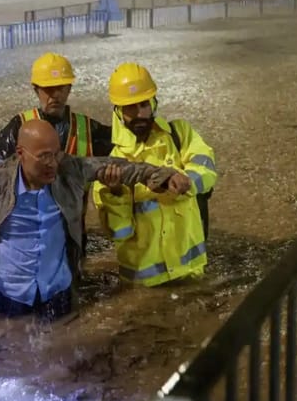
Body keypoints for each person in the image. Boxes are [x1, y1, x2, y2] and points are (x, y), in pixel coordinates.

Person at [0, 119, 189, 318]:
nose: (53, 163)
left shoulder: (70, 170)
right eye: (44, 156)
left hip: (57, 294)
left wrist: (162, 176)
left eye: (57, 154)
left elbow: (122, 167)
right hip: (6, 294)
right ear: (21, 154)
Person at [93, 63, 217, 287]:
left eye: (144, 104)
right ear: (118, 112)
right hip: (145, 287)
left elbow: (207, 170)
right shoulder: (111, 164)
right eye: (130, 108)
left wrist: (187, 181)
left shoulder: (180, 134)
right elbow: (120, 233)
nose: (140, 113)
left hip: (191, 272)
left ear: (154, 102)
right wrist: (115, 192)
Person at [0, 52, 113, 164]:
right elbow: (0, 172)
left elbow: (121, 143)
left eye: (60, 88)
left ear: (69, 89)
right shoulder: (20, 125)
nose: (55, 95)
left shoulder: (88, 128)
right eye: (48, 89)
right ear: (36, 91)